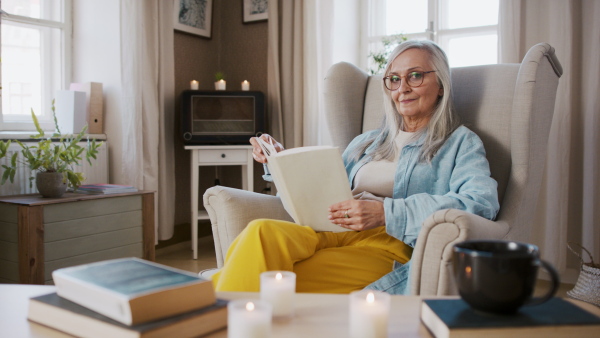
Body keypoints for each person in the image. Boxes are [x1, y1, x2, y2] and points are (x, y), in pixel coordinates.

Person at [210, 40, 500, 294]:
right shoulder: (367, 142)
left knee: (271, 281)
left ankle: (207, 310)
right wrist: (281, 163)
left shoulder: (461, 143)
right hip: (329, 231)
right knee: (259, 232)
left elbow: (480, 204)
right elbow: (326, 191)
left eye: (415, 76)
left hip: (388, 245)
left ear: (441, 85)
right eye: (394, 79)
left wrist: (386, 212)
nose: (403, 89)